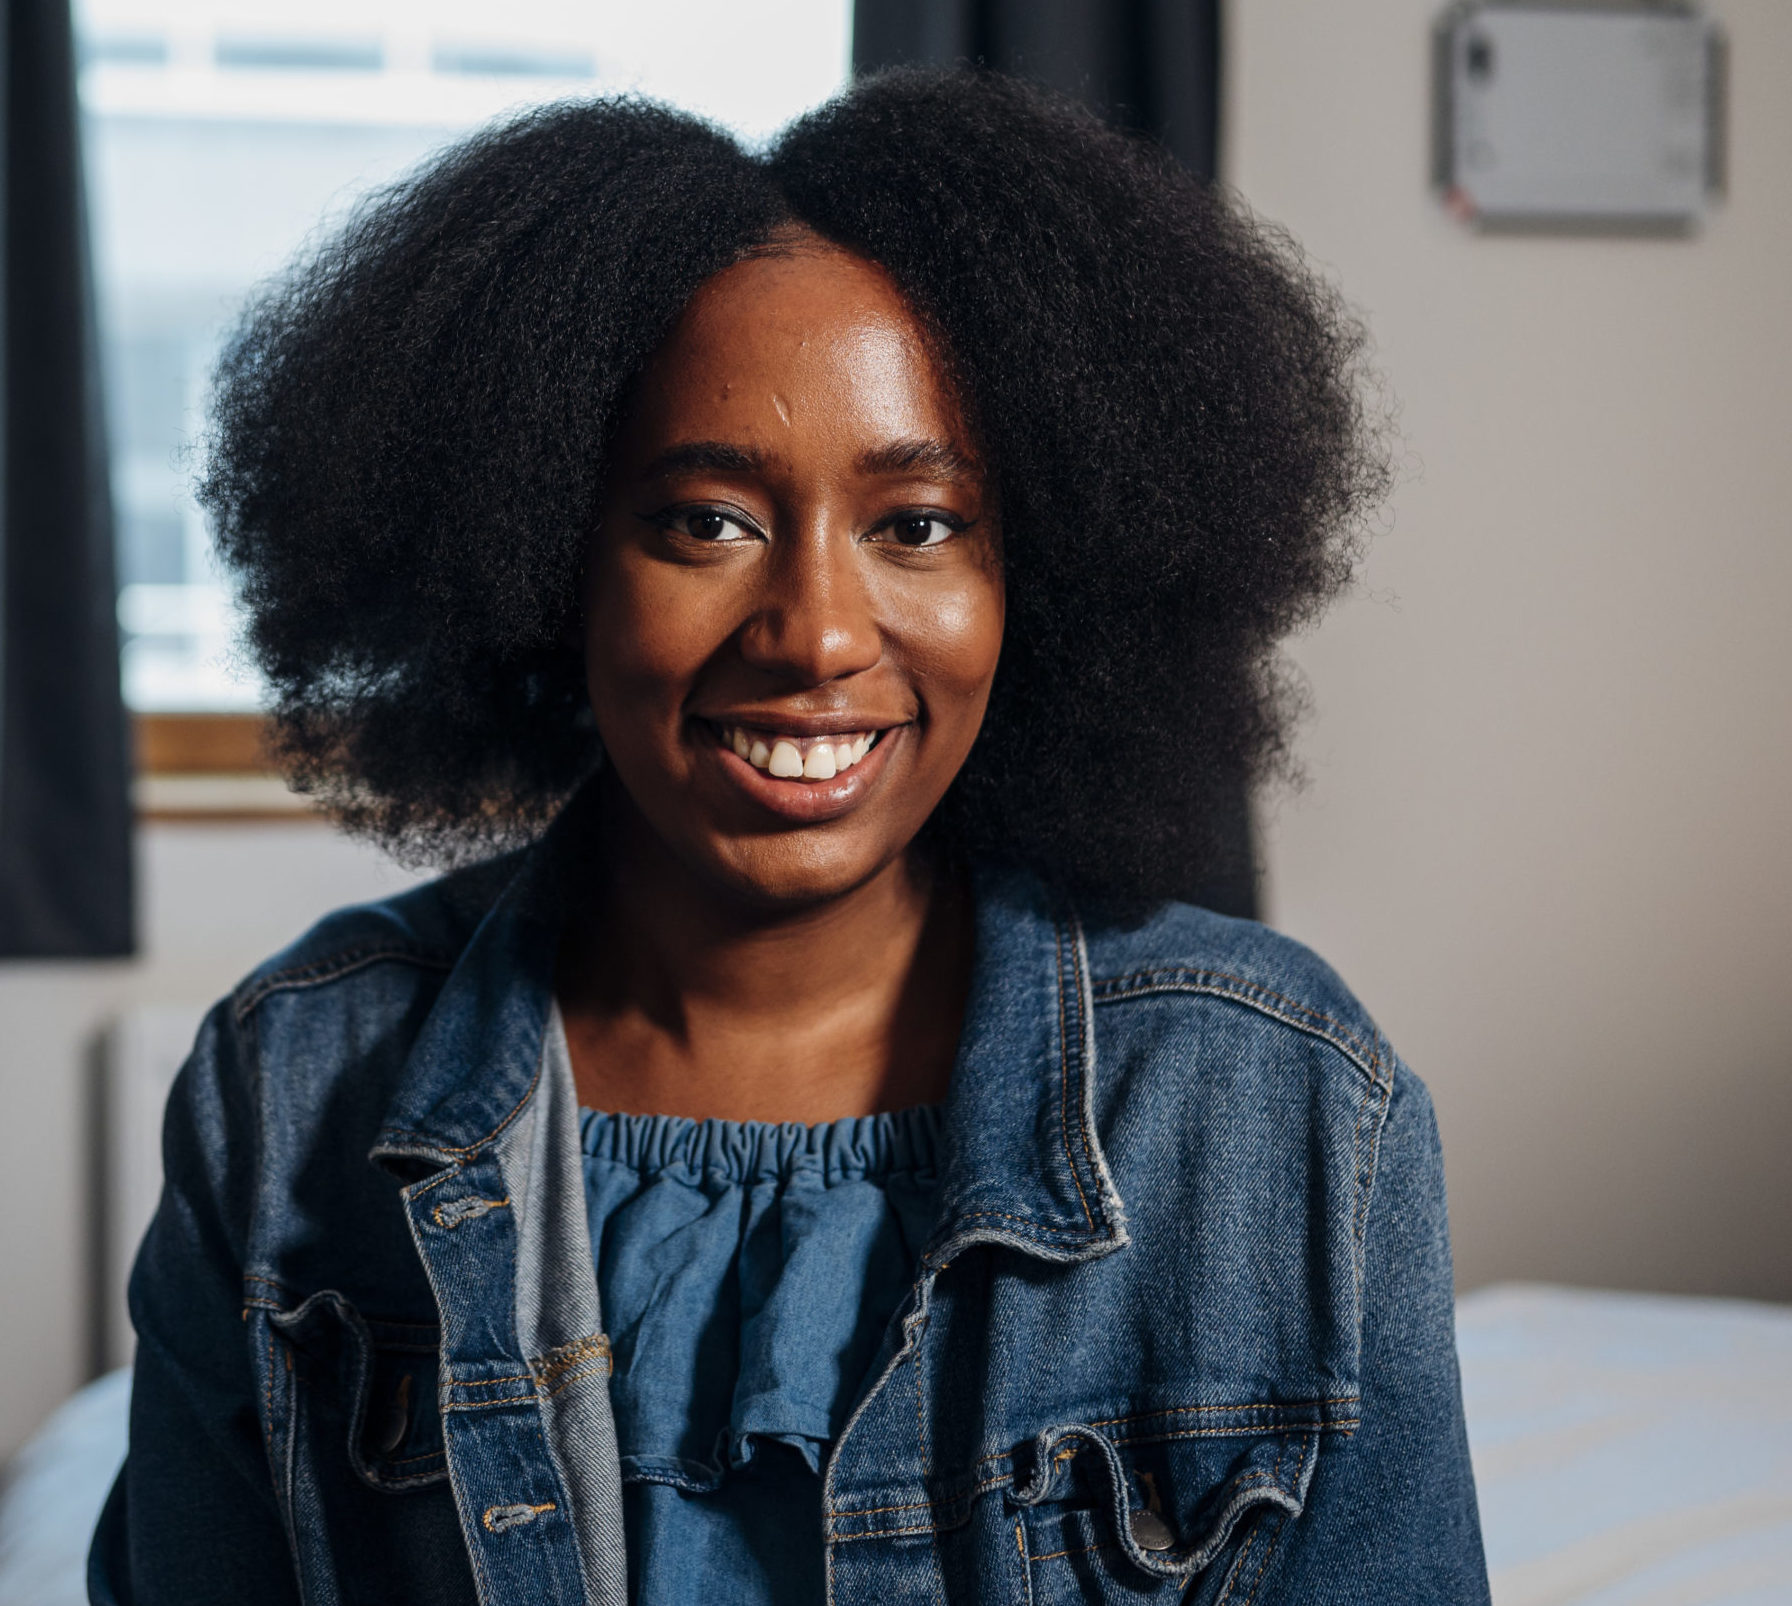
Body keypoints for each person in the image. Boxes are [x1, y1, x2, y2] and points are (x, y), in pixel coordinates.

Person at [89, 69, 1489, 1606]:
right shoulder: (287, 1095)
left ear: (1046, 575)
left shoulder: (1283, 1112)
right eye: (707, 520)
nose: (817, 632)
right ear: (550, 562)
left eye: (921, 524)